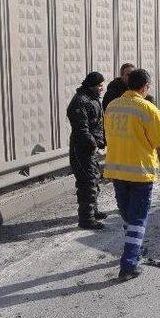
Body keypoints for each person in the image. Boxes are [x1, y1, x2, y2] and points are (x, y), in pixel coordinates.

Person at [104, 69, 160, 281]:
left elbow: (108, 136)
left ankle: (135, 249)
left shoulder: (111, 106)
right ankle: (129, 264)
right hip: (140, 171)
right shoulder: (148, 108)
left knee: (128, 216)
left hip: (116, 169)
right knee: (138, 218)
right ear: (145, 87)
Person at [67, 72, 107, 230]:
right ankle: (86, 218)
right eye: (100, 85)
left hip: (90, 149)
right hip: (82, 149)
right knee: (87, 182)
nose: (102, 88)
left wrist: (100, 141)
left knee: (94, 178)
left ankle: (93, 210)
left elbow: (96, 124)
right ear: (93, 86)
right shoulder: (80, 101)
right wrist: (93, 144)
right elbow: (82, 129)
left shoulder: (91, 98)